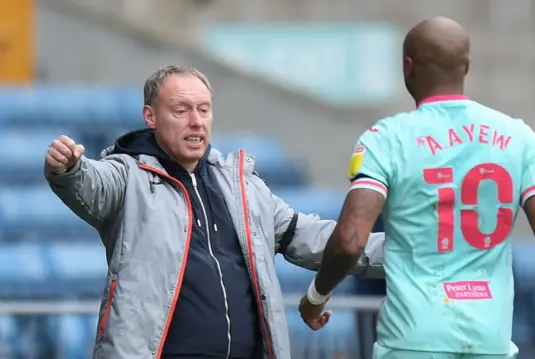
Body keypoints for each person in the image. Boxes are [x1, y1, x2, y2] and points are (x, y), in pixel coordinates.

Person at [44, 65, 385, 359]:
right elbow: (90, 185)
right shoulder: (126, 175)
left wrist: (408, 249)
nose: (196, 121)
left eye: (203, 110)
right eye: (181, 110)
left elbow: (310, 236)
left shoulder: (243, 186)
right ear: (151, 116)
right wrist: (70, 168)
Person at [299, 17, 535, 359]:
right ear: (467, 65)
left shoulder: (386, 139)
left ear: (408, 67)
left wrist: (316, 297)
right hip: (489, 343)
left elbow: (349, 241)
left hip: (412, 342)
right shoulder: (521, 138)